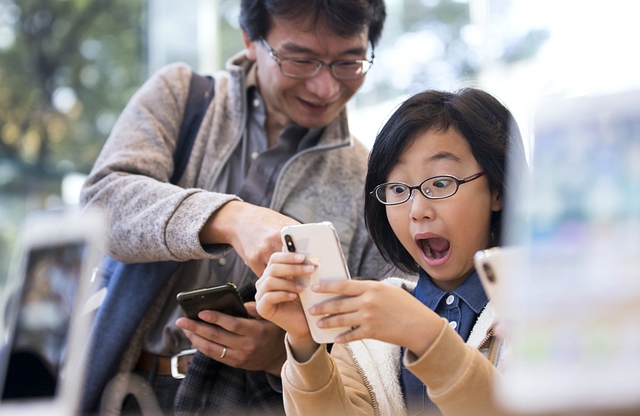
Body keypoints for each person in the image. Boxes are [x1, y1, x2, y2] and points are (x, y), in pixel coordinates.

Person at [79, 0, 402, 414]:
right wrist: (231, 219)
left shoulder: (367, 178)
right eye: (300, 60)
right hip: (127, 388)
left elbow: (379, 351)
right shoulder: (183, 97)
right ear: (251, 40)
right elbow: (101, 205)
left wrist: (284, 354)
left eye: (349, 62)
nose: (325, 87)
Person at [255, 88, 528, 416]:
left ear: (497, 189)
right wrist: (304, 342)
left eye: (440, 183)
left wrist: (426, 334)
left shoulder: (544, 306)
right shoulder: (368, 331)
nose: (418, 210)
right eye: (398, 189)